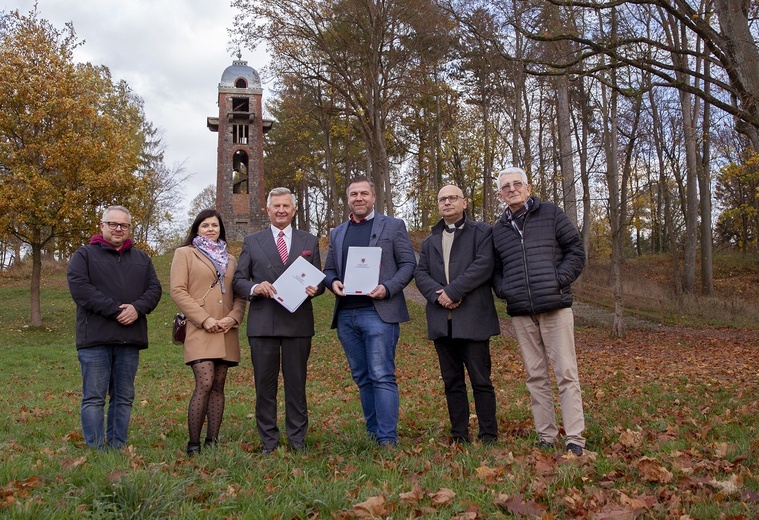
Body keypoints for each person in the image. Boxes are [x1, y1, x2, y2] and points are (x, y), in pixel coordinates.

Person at [492, 167, 587, 456]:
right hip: (521, 313)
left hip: (555, 308)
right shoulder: (498, 230)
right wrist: (506, 290)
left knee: (566, 374)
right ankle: (546, 435)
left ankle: (574, 438)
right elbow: (495, 270)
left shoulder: (551, 214)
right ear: (500, 195)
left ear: (528, 188)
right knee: (535, 377)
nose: (512, 189)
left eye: (517, 184)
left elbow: (576, 250)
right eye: (506, 187)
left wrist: (558, 280)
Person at [323, 175, 416, 448]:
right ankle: (373, 432)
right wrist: (332, 282)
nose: (359, 198)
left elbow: (408, 264)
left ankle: (387, 439)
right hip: (346, 315)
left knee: (382, 375)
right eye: (354, 194)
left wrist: (388, 288)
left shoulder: (393, 226)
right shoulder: (337, 233)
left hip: (379, 312)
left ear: (374, 197)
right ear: (348, 199)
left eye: (364, 193)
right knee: (362, 376)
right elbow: (329, 270)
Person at [233, 187, 324, 454]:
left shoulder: (310, 241)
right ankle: (269, 442)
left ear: (294, 210)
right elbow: (238, 280)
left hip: (298, 323)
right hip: (263, 323)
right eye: (276, 206)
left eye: (286, 206)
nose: (281, 210)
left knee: (297, 385)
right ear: (268, 209)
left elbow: (318, 279)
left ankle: (297, 440)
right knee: (265, 386)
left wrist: (315, 289)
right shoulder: (252, 241)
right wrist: (255, 288)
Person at [67, 205, 162, 449]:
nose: (118, 229)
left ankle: (117, 445)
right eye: (113, 224)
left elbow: (154, 290)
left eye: (124, 225)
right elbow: (80, 289)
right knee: (94, 397)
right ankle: (97, 449)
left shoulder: (141, 258)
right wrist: (116, 309)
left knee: (123, 398)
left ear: (129, 228)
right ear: (102, 226)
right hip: (95, 339)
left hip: (129, 339)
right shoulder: (84, 255)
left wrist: (137, 308)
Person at [414, 185, 500, 445]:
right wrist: (439, 296)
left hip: (473, 319)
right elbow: (421, 274)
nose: (447, 202)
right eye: (442, 199)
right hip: (442, 322)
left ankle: (488, 435)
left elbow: (483, 266)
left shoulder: (483, 233)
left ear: (464, 203)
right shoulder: (429, 241)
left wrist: (453, 291)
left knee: (481, 380)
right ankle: (459, 435)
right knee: (452, 382)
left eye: (453, 198)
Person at [170, 209, 246, 456]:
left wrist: (233, 318)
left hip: (225, 329)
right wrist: (204, 319)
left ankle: (213, 440)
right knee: (204, 382)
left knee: (219, 386)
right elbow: (178, 291)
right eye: (205, 225)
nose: (211, 229)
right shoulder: (185, 254)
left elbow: (239, 295)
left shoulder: (231, 260)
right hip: (199, 327)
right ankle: (194, 443)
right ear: (197, 229)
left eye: (215, 225)